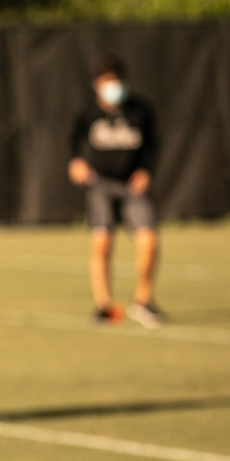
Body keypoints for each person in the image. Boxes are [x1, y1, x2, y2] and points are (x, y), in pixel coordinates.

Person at [68, 55, 161, 327]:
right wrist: (76, 162)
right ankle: (104, 305)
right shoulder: (87, 111)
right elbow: (72, 141)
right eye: (106, 82)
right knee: (101, 242)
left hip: (132, 185)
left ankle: (142, 301)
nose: (112, 87)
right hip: (100, 184)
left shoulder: (140, 110)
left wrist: (146, 171)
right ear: (96, 84)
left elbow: (153, 145)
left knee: (148, 241)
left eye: (116, 81)